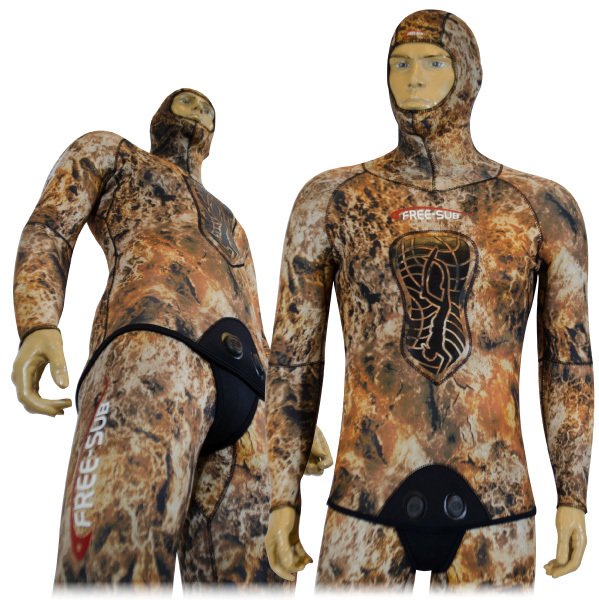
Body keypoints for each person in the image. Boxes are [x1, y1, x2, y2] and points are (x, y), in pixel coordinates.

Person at [264, 9, 593, 590]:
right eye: (400, 63)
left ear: (468, 74)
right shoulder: (334, 199)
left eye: (434, 62)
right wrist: (280, 497)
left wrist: (574, 496)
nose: (414, 77)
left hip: (496, 504)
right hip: (365, 498)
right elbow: (294, 358)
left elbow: (568, 362)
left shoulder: (540, 207)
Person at [12, 87, 332, 586]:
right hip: (150, 355)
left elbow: (252, 316)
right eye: (187, 103)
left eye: (207, 111)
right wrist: (38, 321)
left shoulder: (232, 224)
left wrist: (291, 416)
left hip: (250, 398)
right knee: (114, 563)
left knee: (261, 582)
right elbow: (52, 226)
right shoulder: (114, 154)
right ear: (160, 116)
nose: (198, 112)